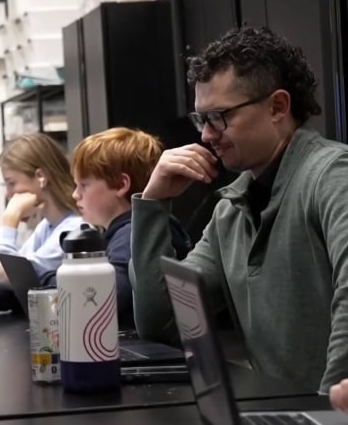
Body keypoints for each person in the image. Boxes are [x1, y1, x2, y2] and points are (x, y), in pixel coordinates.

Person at [130, 26, 348, 393]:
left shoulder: (332, 176)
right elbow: (163, 320)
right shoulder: (231, 211)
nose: (205, 135)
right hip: (281, 410)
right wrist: (153, 203)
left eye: (219, 116)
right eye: (201, 119)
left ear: (277, 107)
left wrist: (329, 408)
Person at [69, 127, 192, 328]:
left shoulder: (131, 233)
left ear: (120, 185)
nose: (75, 194)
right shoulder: (126, 231)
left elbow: (106, 296)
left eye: (84, 184)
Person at [0, 133, 82, 310]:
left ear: (41, 177)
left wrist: (10, 218)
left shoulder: (73, 229)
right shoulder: (47, 227)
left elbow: (7, 275)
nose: (8, 194)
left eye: (11, 183)